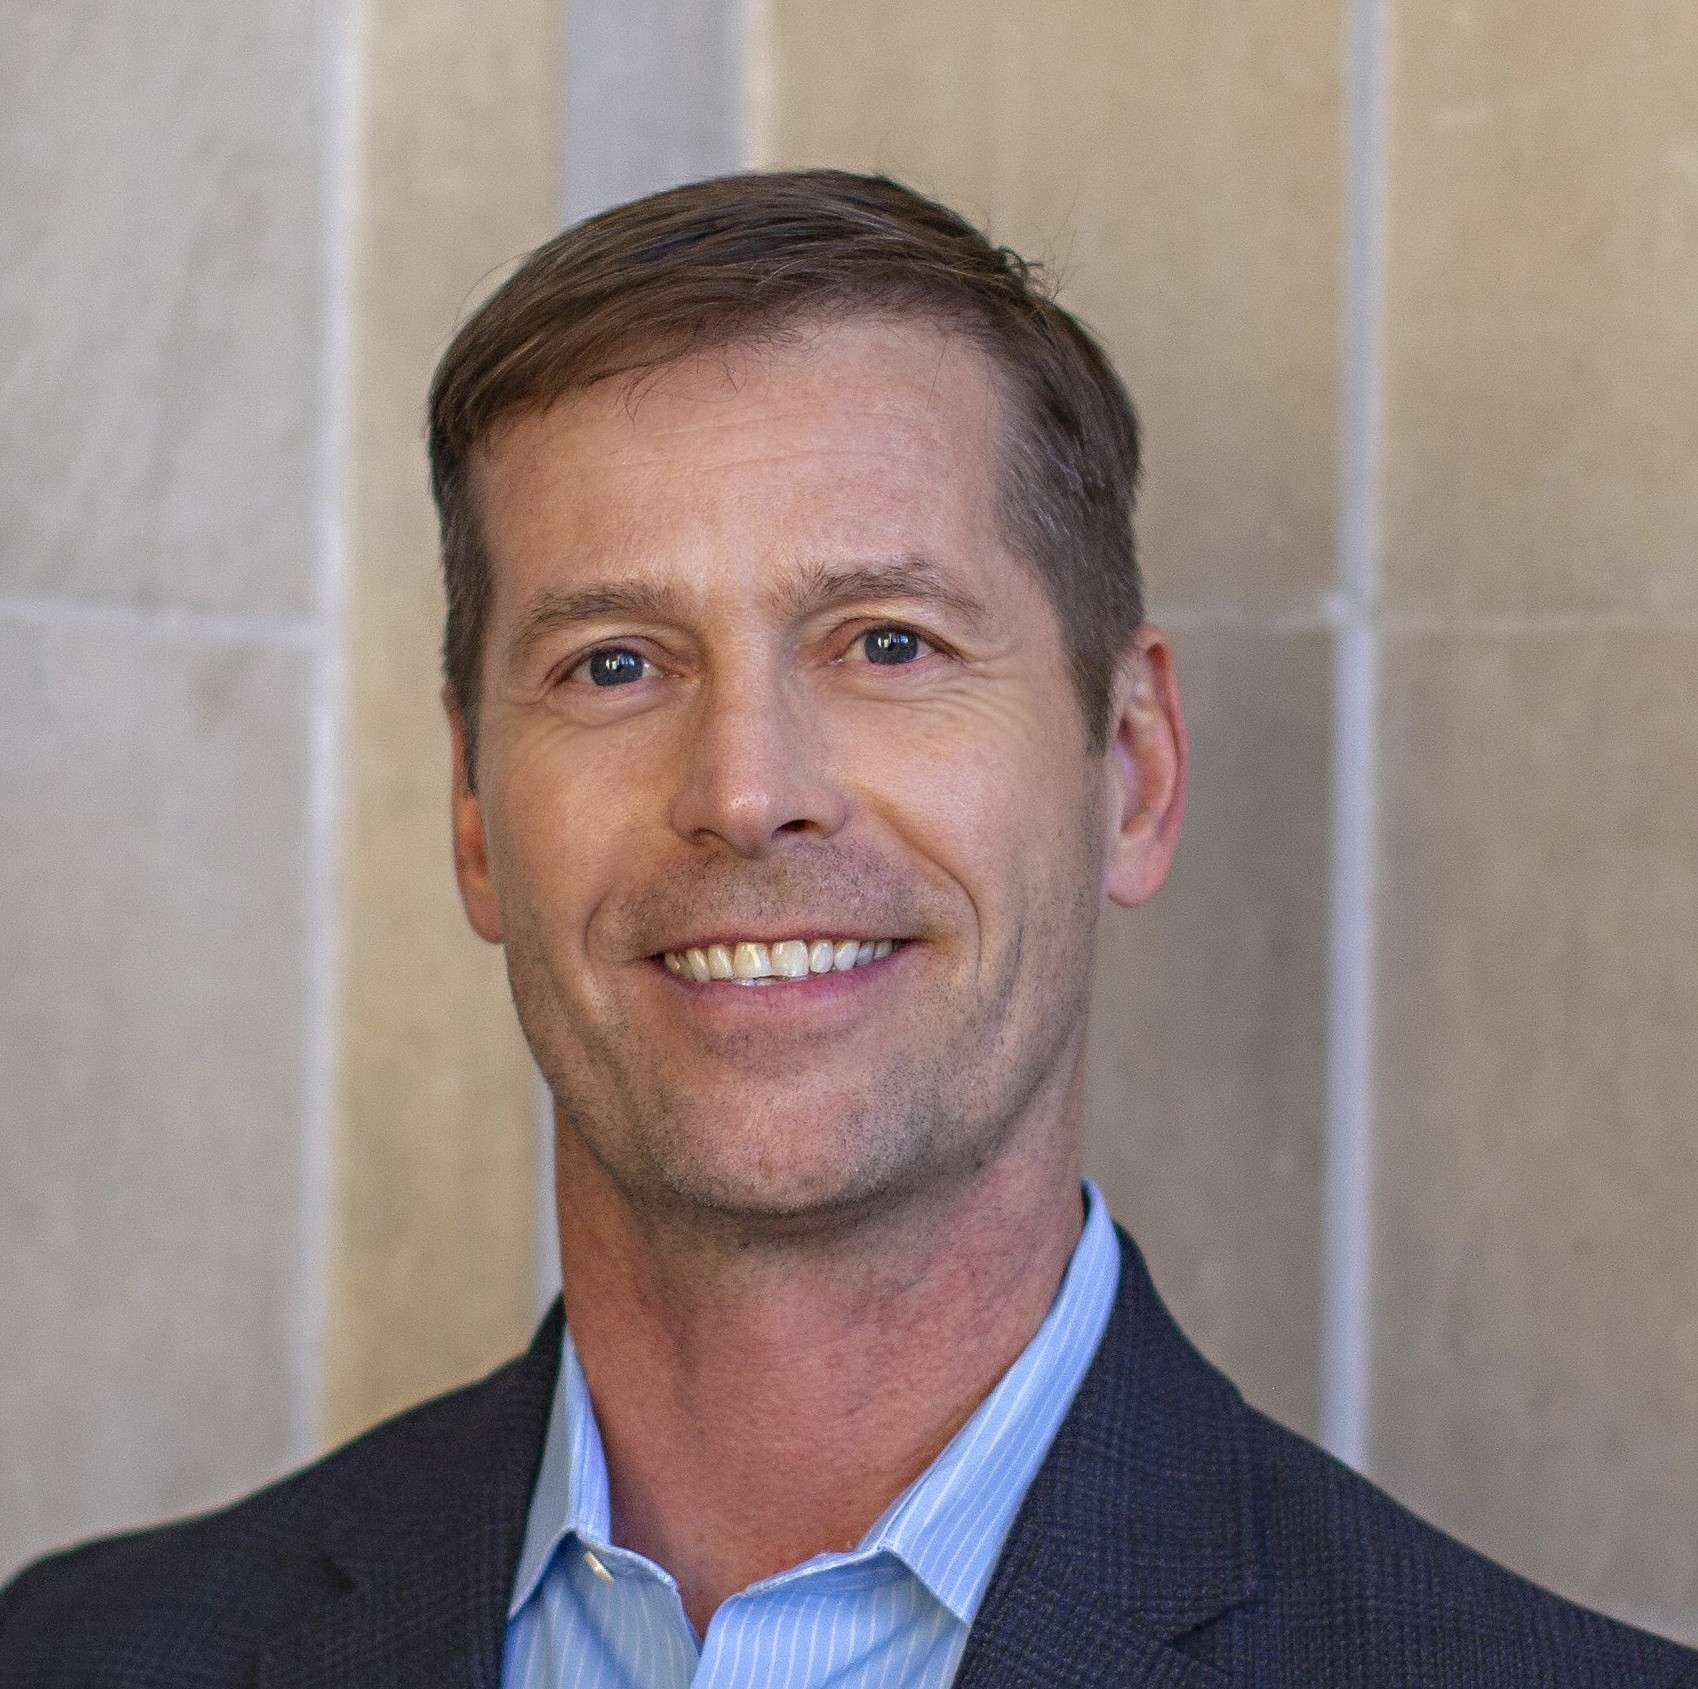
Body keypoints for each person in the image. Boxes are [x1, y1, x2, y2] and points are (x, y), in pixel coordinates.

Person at [1, 169, 1693, 1689]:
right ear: (471, 814)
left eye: (885, 643)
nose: (746, 791)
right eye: (613, 662)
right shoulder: (83, 1653)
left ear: (1131, 766)